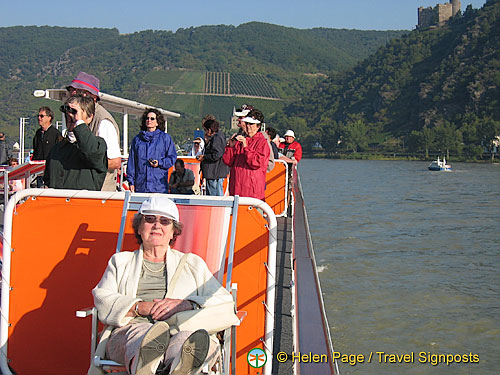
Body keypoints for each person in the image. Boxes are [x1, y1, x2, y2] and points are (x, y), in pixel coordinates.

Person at [92, 196, 235, 375]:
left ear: (173, 231)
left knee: (187, 341)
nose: (157, 225)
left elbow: (223, 300)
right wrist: (139, 307)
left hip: (181, 328)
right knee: (143, 336)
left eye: (165, 221)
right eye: (150, 219)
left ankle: (175, 365)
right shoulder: (120, 262)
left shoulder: (192, 263)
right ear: (139, 226)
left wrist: (188, 303)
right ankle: (150, 359)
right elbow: (102, 297)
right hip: (132, 330)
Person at [67, 72, 121, 191]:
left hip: (99, 192)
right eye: (71, 90)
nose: (72, 94)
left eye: (78, 91)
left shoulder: (103, 121)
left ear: (92, 97)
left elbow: (115, 162)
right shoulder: (73, 118)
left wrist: (83, 165)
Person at [43, 95, 108, 190]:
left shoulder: (98, 146)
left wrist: (79, 122)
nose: (70, 117)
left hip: (83, 203)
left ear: (89, 117)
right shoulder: (56, 150)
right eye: (67, 113)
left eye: (74, 112)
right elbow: (48, 180)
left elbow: (90, 152)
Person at [223, 109, 270, 200]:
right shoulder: (240, 141)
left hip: (252, 192)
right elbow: (228, 161)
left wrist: (246, 147)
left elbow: (256, 163)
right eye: (247, 123)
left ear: (258, 126)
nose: (248, 126)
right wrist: (230, 147)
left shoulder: (262, 143)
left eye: (251, 124)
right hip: (236, 190)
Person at [126, 108, 177, 193]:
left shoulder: (165, 138)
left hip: (159, 186)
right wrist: (131, 182)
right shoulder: (137, 140)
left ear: (157, 122)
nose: (149, 120)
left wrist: (159, 163)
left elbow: (172, 158)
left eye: (152, 118)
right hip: (141, 186)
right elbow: (132, 162)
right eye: (147, 118)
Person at [198, 117, 229, 196]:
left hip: (213, 172)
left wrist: (204, 157)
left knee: (213, 195)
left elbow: (217, 154)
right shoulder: (220, 136)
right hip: (216, 171)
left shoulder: (216, 138)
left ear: (209, 130)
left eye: (205, 130)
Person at [33, 106, 62, 187]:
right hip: (39, 172)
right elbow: (36, 151)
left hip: (51, 173)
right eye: (38, 116)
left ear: (49, 118)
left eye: (42, 116)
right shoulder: (38, 134)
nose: (39, 118)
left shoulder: (56, 134)